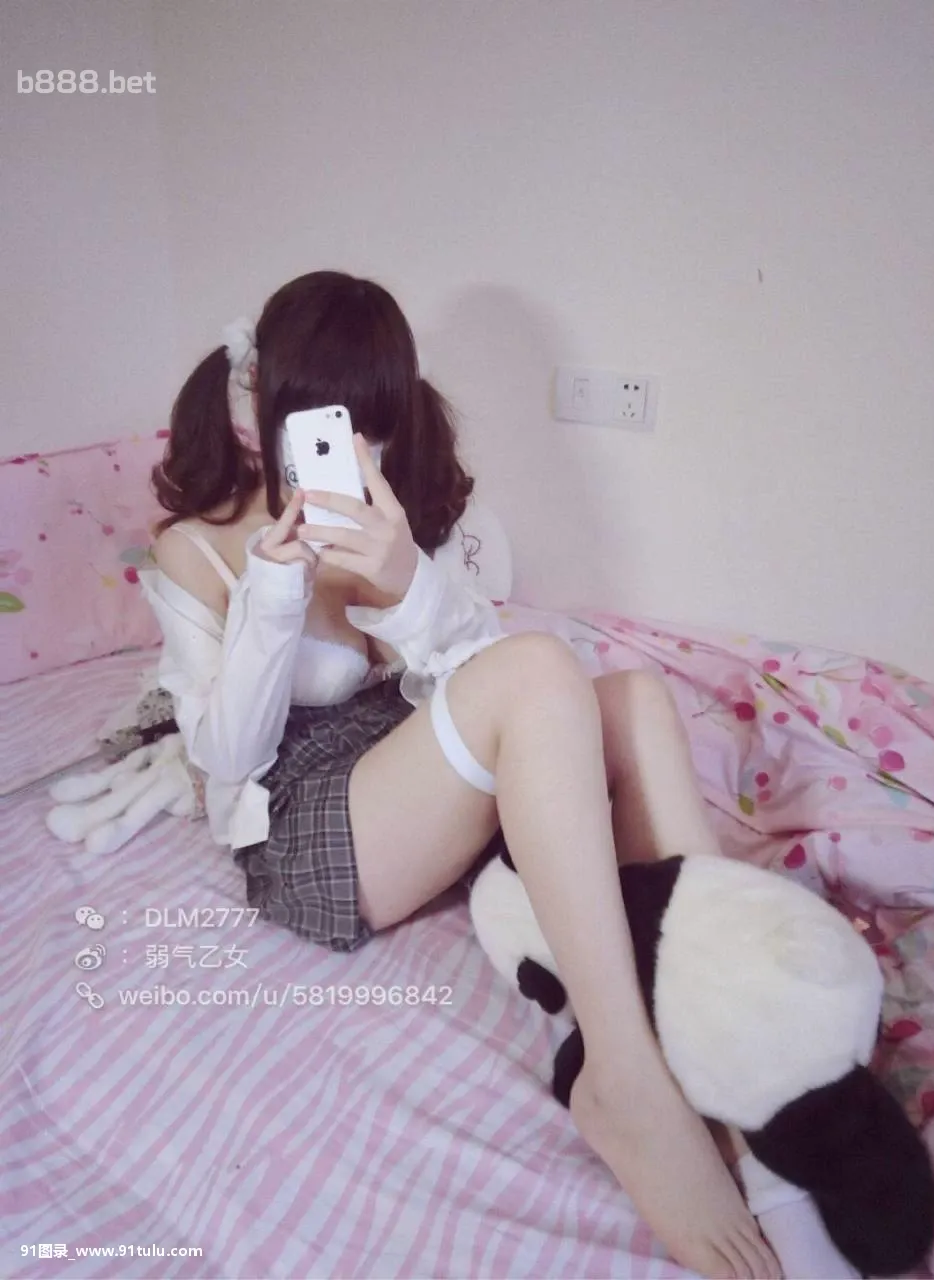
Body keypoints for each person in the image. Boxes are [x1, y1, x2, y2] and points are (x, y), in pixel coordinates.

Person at [140, 270, 783, 1279]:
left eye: (371, 421)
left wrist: (405, 580)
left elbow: (471, 667)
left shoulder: (386, 512)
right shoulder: (196, 549)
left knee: (635, 699)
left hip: (407, 772)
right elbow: (224, 756)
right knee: (538, 671)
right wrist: (274, 590)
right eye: (327, 419)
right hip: (308, 825)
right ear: (260, 400)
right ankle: (622, 1076)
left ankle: (722, 1018)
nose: (355, 447)